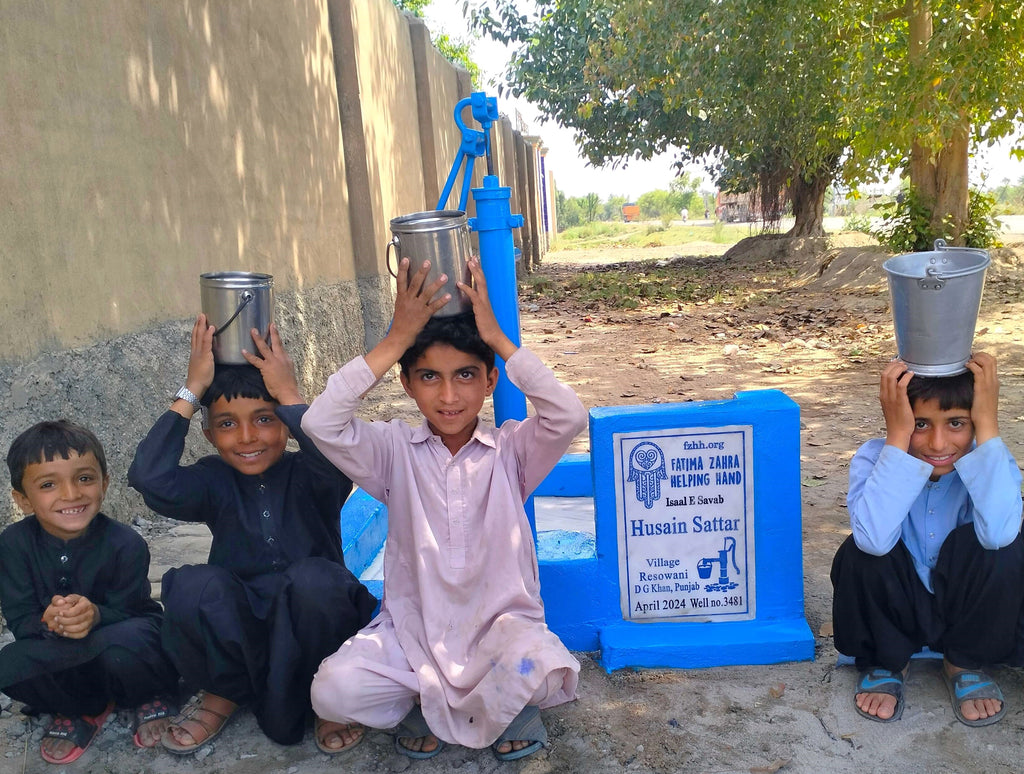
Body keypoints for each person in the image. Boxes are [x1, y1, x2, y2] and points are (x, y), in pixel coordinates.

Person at [302, 256, 587, 761]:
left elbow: (569, 413)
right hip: (414, 637)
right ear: (407, 384)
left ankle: (490, 703)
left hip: (500, 636)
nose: (450, 395)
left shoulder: (513, 452)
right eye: (430, 376)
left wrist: (498, 338)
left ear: (490, 382)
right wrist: (395, 339)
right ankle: (446, 698)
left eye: (466, 375)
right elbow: (321, 423)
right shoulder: (392, 453)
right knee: (332, 690)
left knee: (547, 671)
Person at [127, 320, 376, 754]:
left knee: (316, 581)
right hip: (242, 623)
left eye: (264, 419)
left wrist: (290, 395)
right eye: (227, 424)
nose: (246, 437)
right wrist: (192, 388)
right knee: (192, 586)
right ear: (208, 435)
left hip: (314, 619)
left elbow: (342, 458)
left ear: (285, 426)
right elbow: (149, 478)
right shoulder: (212, 480)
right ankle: (223, 692)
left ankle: (330, 699)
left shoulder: (313, 473)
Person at [831, 353, 1024, 725]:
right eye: (920, 423)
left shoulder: (993, 464)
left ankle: (962, 661)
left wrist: (987, 425)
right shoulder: (874, 460)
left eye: (956, 423)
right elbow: (872, 541)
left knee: (1008, 547)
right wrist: (898, 439)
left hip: (965, 609)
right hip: (898, 607)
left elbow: (1000, 533)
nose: (937, 443)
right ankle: (889, 661)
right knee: (859, 550)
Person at [0, 420, 179, 764]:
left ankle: (147, 695)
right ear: (22, 500)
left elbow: (135, 611)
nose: (71, 494)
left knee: (134, 640)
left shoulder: (126, 543)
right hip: (60, 652)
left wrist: (96, 615)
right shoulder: (12, 545)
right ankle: (82, 709)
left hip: (116, 644)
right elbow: (21, 621)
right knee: (10, 662)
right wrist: (48, 622)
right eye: (49, 484)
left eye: (84, 478)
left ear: (104, 484)